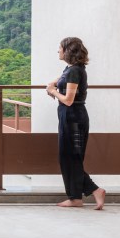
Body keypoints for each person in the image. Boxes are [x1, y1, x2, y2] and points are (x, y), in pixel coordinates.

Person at [45, 37, 106, 210]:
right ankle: (77, 197)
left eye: (60, 48)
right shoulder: (71, 69)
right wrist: (53, 86)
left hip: (73, 118)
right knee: (68, 157)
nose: (58, 50)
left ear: (67, 50)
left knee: (71, 158)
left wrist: (53, 92)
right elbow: (58, 83)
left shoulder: (74, 71)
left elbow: (69, 100)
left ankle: (91, 191)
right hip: (70, 117)